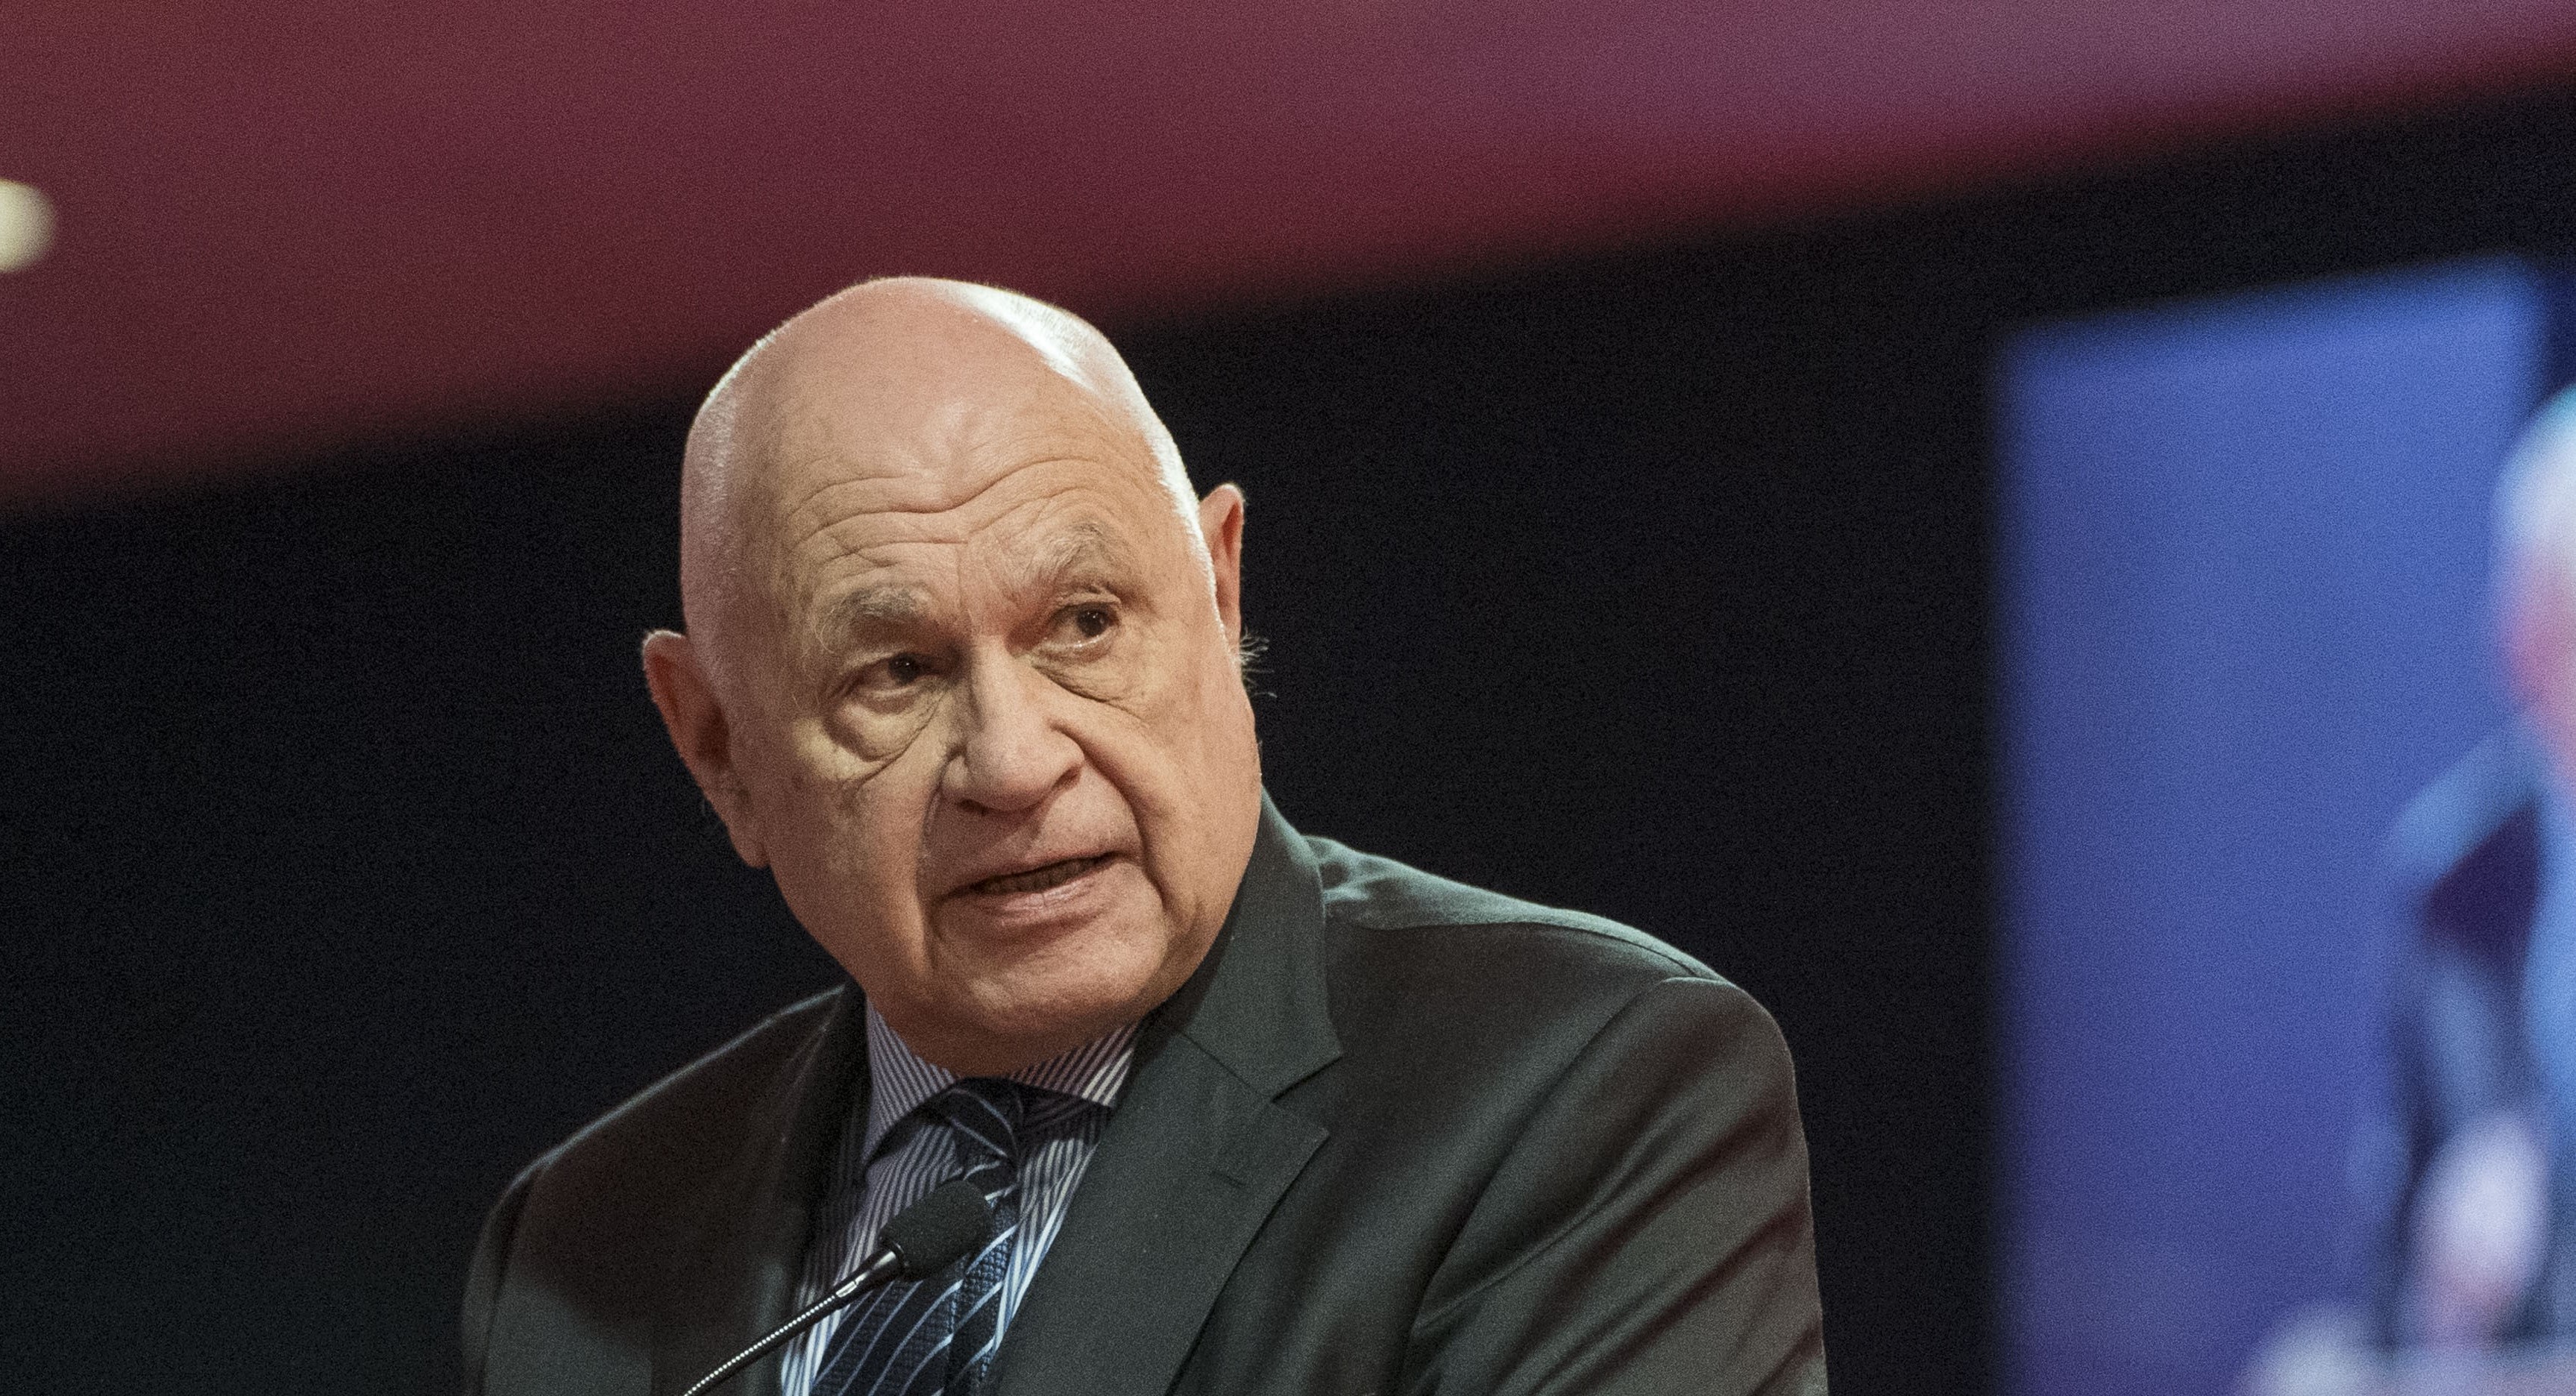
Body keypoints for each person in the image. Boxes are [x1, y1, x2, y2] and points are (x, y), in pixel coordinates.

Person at [456, 277, 1827, 1396]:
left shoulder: (1580, 1087)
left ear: (1220, 596)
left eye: (1083, 624)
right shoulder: (582, 1248)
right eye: (896, 673)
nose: (1013, 762)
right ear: (717, 747)